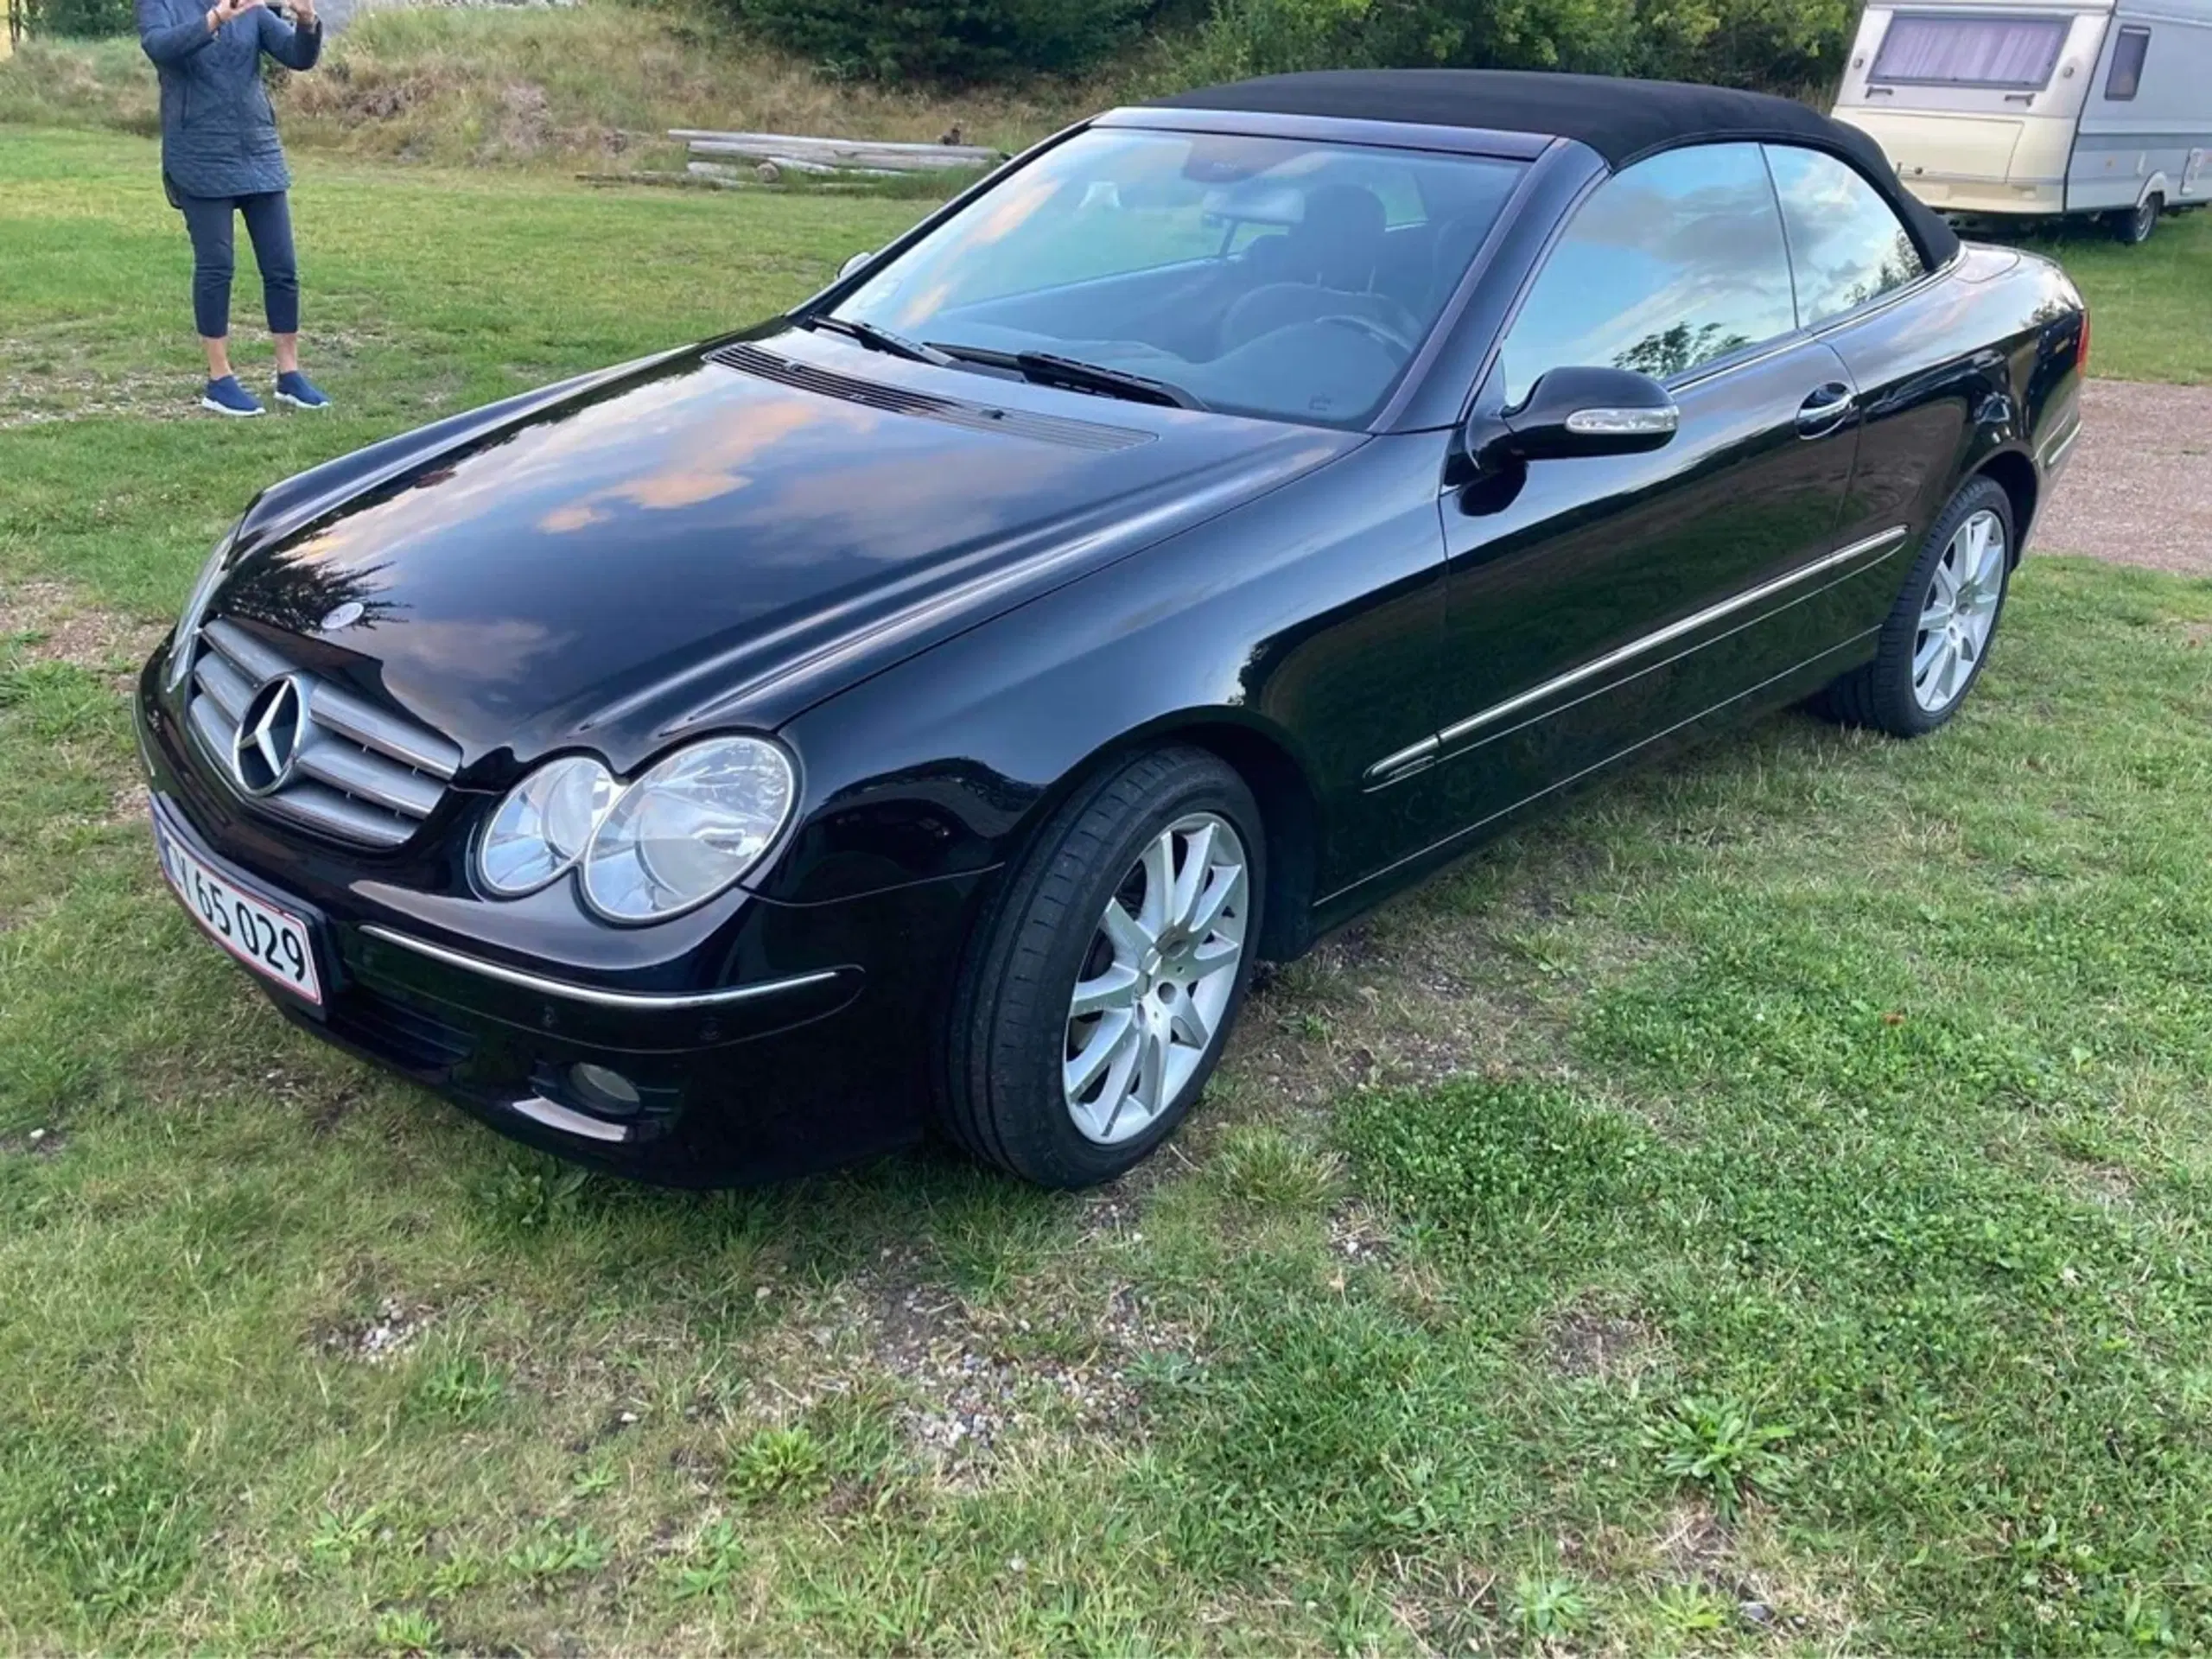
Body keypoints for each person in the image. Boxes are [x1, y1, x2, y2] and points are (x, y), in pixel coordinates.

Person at [136, 0, 331, 416]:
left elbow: (298, 57)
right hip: (199, 153)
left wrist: (307, 19)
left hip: (257, 150)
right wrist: (218, 16)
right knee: (216, 266)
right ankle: (219, 379)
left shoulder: (255, 10)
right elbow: (160, 47)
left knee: (282, 266)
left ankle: (290, 374)